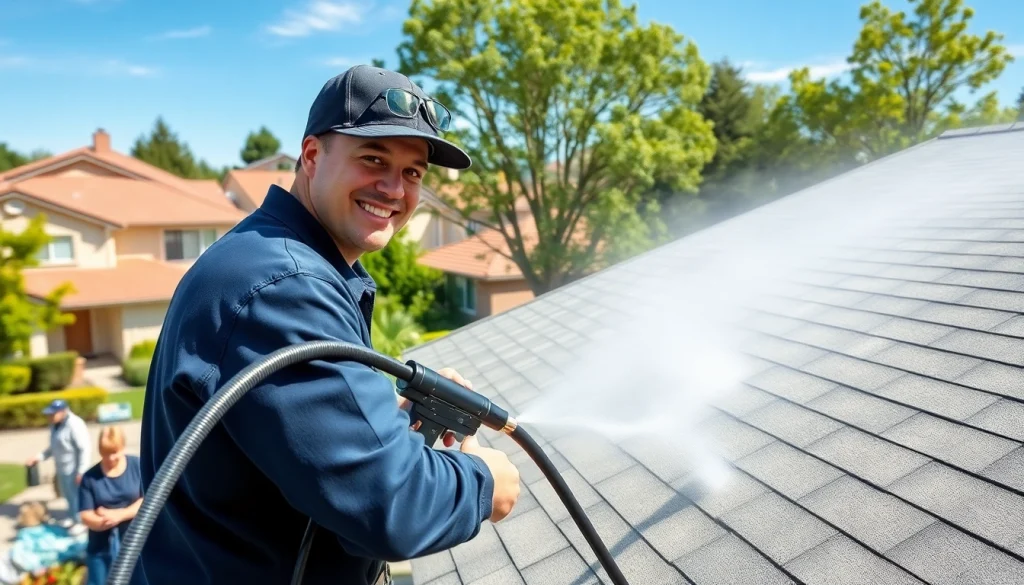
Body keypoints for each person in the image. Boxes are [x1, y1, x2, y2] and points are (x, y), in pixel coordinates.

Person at [130, 65, 521, 585]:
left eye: (413, 173)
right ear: (312, 157)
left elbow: (301, 450)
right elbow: (392, 506)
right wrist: (483, 481)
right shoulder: (284, 287)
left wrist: (389, 420)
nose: (393, 188)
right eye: (373, 159)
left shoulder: (277, 260)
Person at [78, 426, 143, 585]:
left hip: (135, 542)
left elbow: (148, 500)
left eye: (115, 452)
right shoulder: (90, 478)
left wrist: (119, 515)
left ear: (123, 447)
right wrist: (103, 522)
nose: (111, 458)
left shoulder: (137, 466)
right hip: (101, 545)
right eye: (105, 453)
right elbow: (85, 514)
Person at [26, 399, 90, 531]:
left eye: (52, 414)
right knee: (67, 495)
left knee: (76, 496)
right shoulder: (55, 426)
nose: (49, 417)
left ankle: (81, 522)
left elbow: (84, 449)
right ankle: (72, 517)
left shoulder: (75, 424)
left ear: (63, 412)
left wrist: (81, 471)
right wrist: (38, 457)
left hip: (74, 468)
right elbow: (53, 448)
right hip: (62, 467)